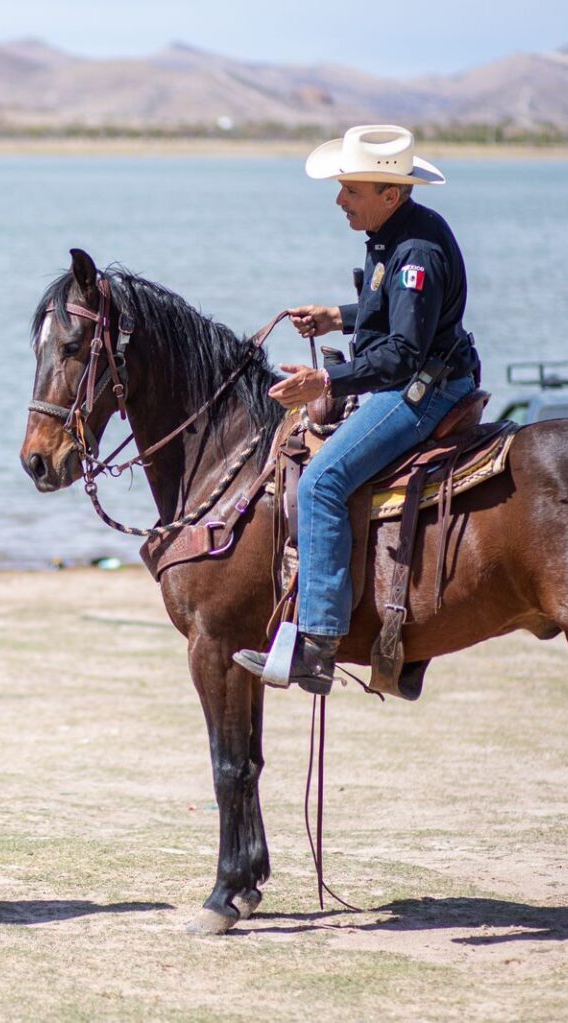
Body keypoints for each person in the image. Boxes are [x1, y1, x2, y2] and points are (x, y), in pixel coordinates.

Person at [233, 125, 480, 694]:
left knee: (320, 481)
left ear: (390, 194)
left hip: (423, 390)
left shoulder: (415, 250)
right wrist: (337, 317)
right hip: (420, 374)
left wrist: (327, 379)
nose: (339, 200)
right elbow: (395, 306)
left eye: (351, 189)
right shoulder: (396, 234)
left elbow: (400, 355)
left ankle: (317, 643)